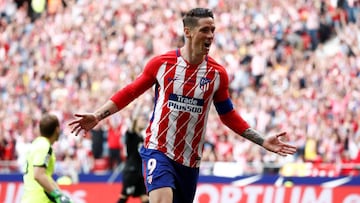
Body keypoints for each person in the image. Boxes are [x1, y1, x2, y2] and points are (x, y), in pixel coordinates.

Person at [69, 7, 297, 203]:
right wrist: (98, 116)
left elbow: (228, 116)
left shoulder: (217, 74)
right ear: (187, 32)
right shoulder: (162, 64)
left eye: (213, 31)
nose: (210, 36)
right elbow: (130, 92)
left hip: (189, 161)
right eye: (205, 30)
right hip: (158, 150)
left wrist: (261, 139)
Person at [22, 114, 73, 203]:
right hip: (39, 200)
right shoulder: (44, 146)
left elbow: (45, 176)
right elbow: (38, 174)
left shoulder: (36, 144)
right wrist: (58, 195)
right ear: (57, 129)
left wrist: (61, 195)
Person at [117, 111, 149, 203]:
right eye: (142, 120)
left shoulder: (142, 138)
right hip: (131, 171)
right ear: (136, 121)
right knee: (124, 196)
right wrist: (136, 109)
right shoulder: (131, 135)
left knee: (145, 197)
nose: (144, 122)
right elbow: (131, 128)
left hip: (140, 172)